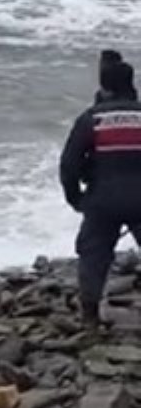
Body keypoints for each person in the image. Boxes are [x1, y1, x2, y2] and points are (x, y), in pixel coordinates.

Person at [60, 60, 141, 330]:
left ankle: (90, 316)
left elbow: (69, 165)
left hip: (102, 201)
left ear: (104, 87)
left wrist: (76, 199)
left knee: (93, 254)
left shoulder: (91, 119)